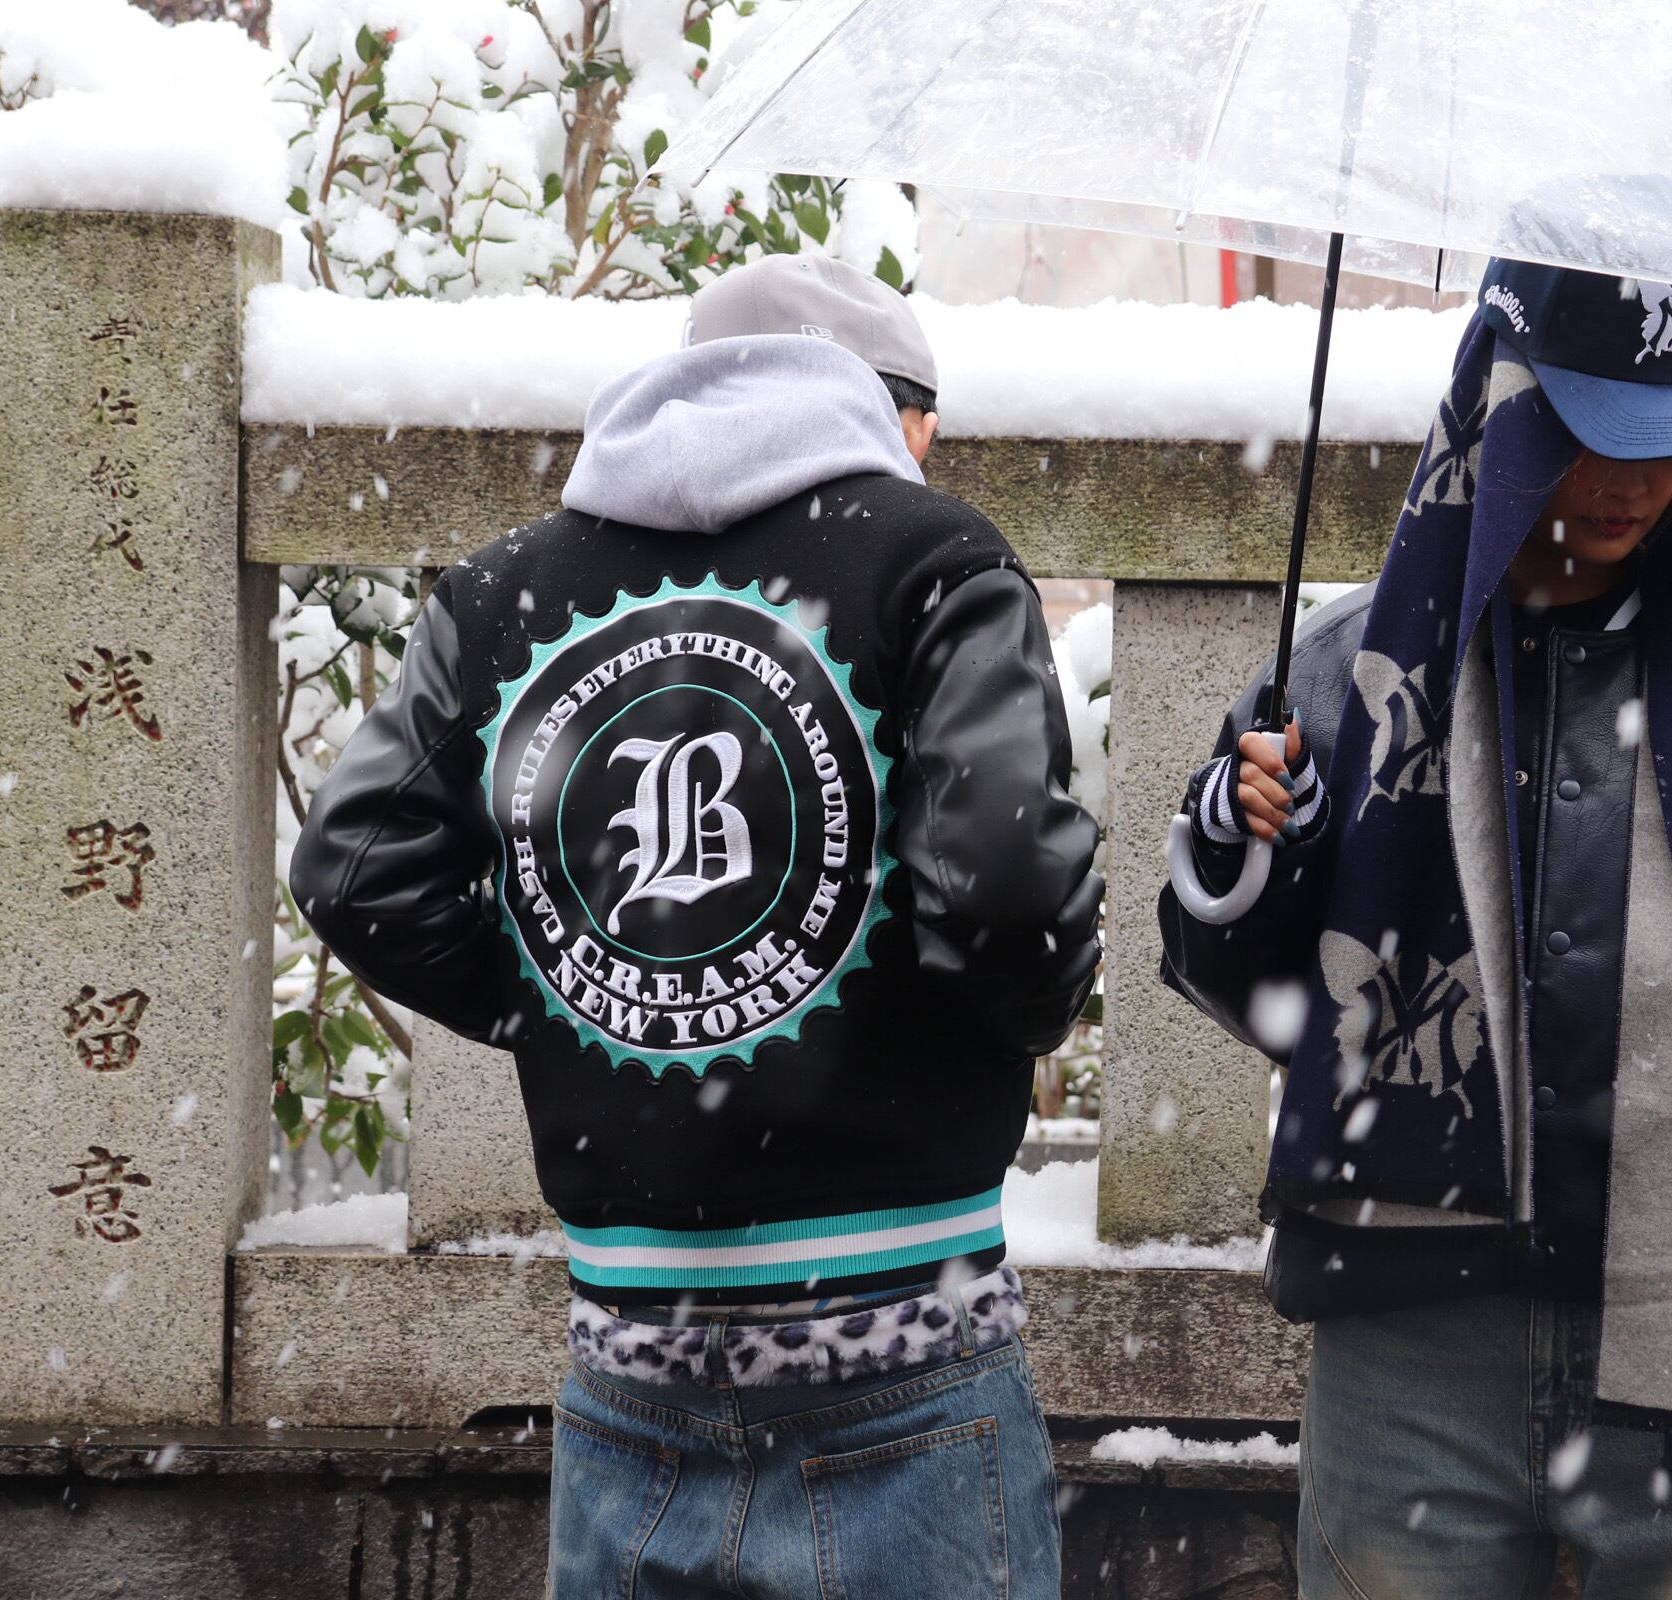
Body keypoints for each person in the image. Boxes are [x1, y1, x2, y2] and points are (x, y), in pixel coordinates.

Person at [1159, 259, 1672, 1599]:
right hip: (1407, 1347)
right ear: (1503, 408)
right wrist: (1246, 851)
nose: (1629, 480)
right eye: (1589, 430)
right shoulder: (1358, 668)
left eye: (1667, 438)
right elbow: (1264, 1003)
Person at [291, 251, 1101, 1599]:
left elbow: (354, 868)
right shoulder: (938, 561)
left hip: (630, 1381)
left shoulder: (503, 590)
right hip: (906, 1358)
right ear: (890, 410)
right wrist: (1015, 1014)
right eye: (922, 429)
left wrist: (566, 995)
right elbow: (1009, 887)